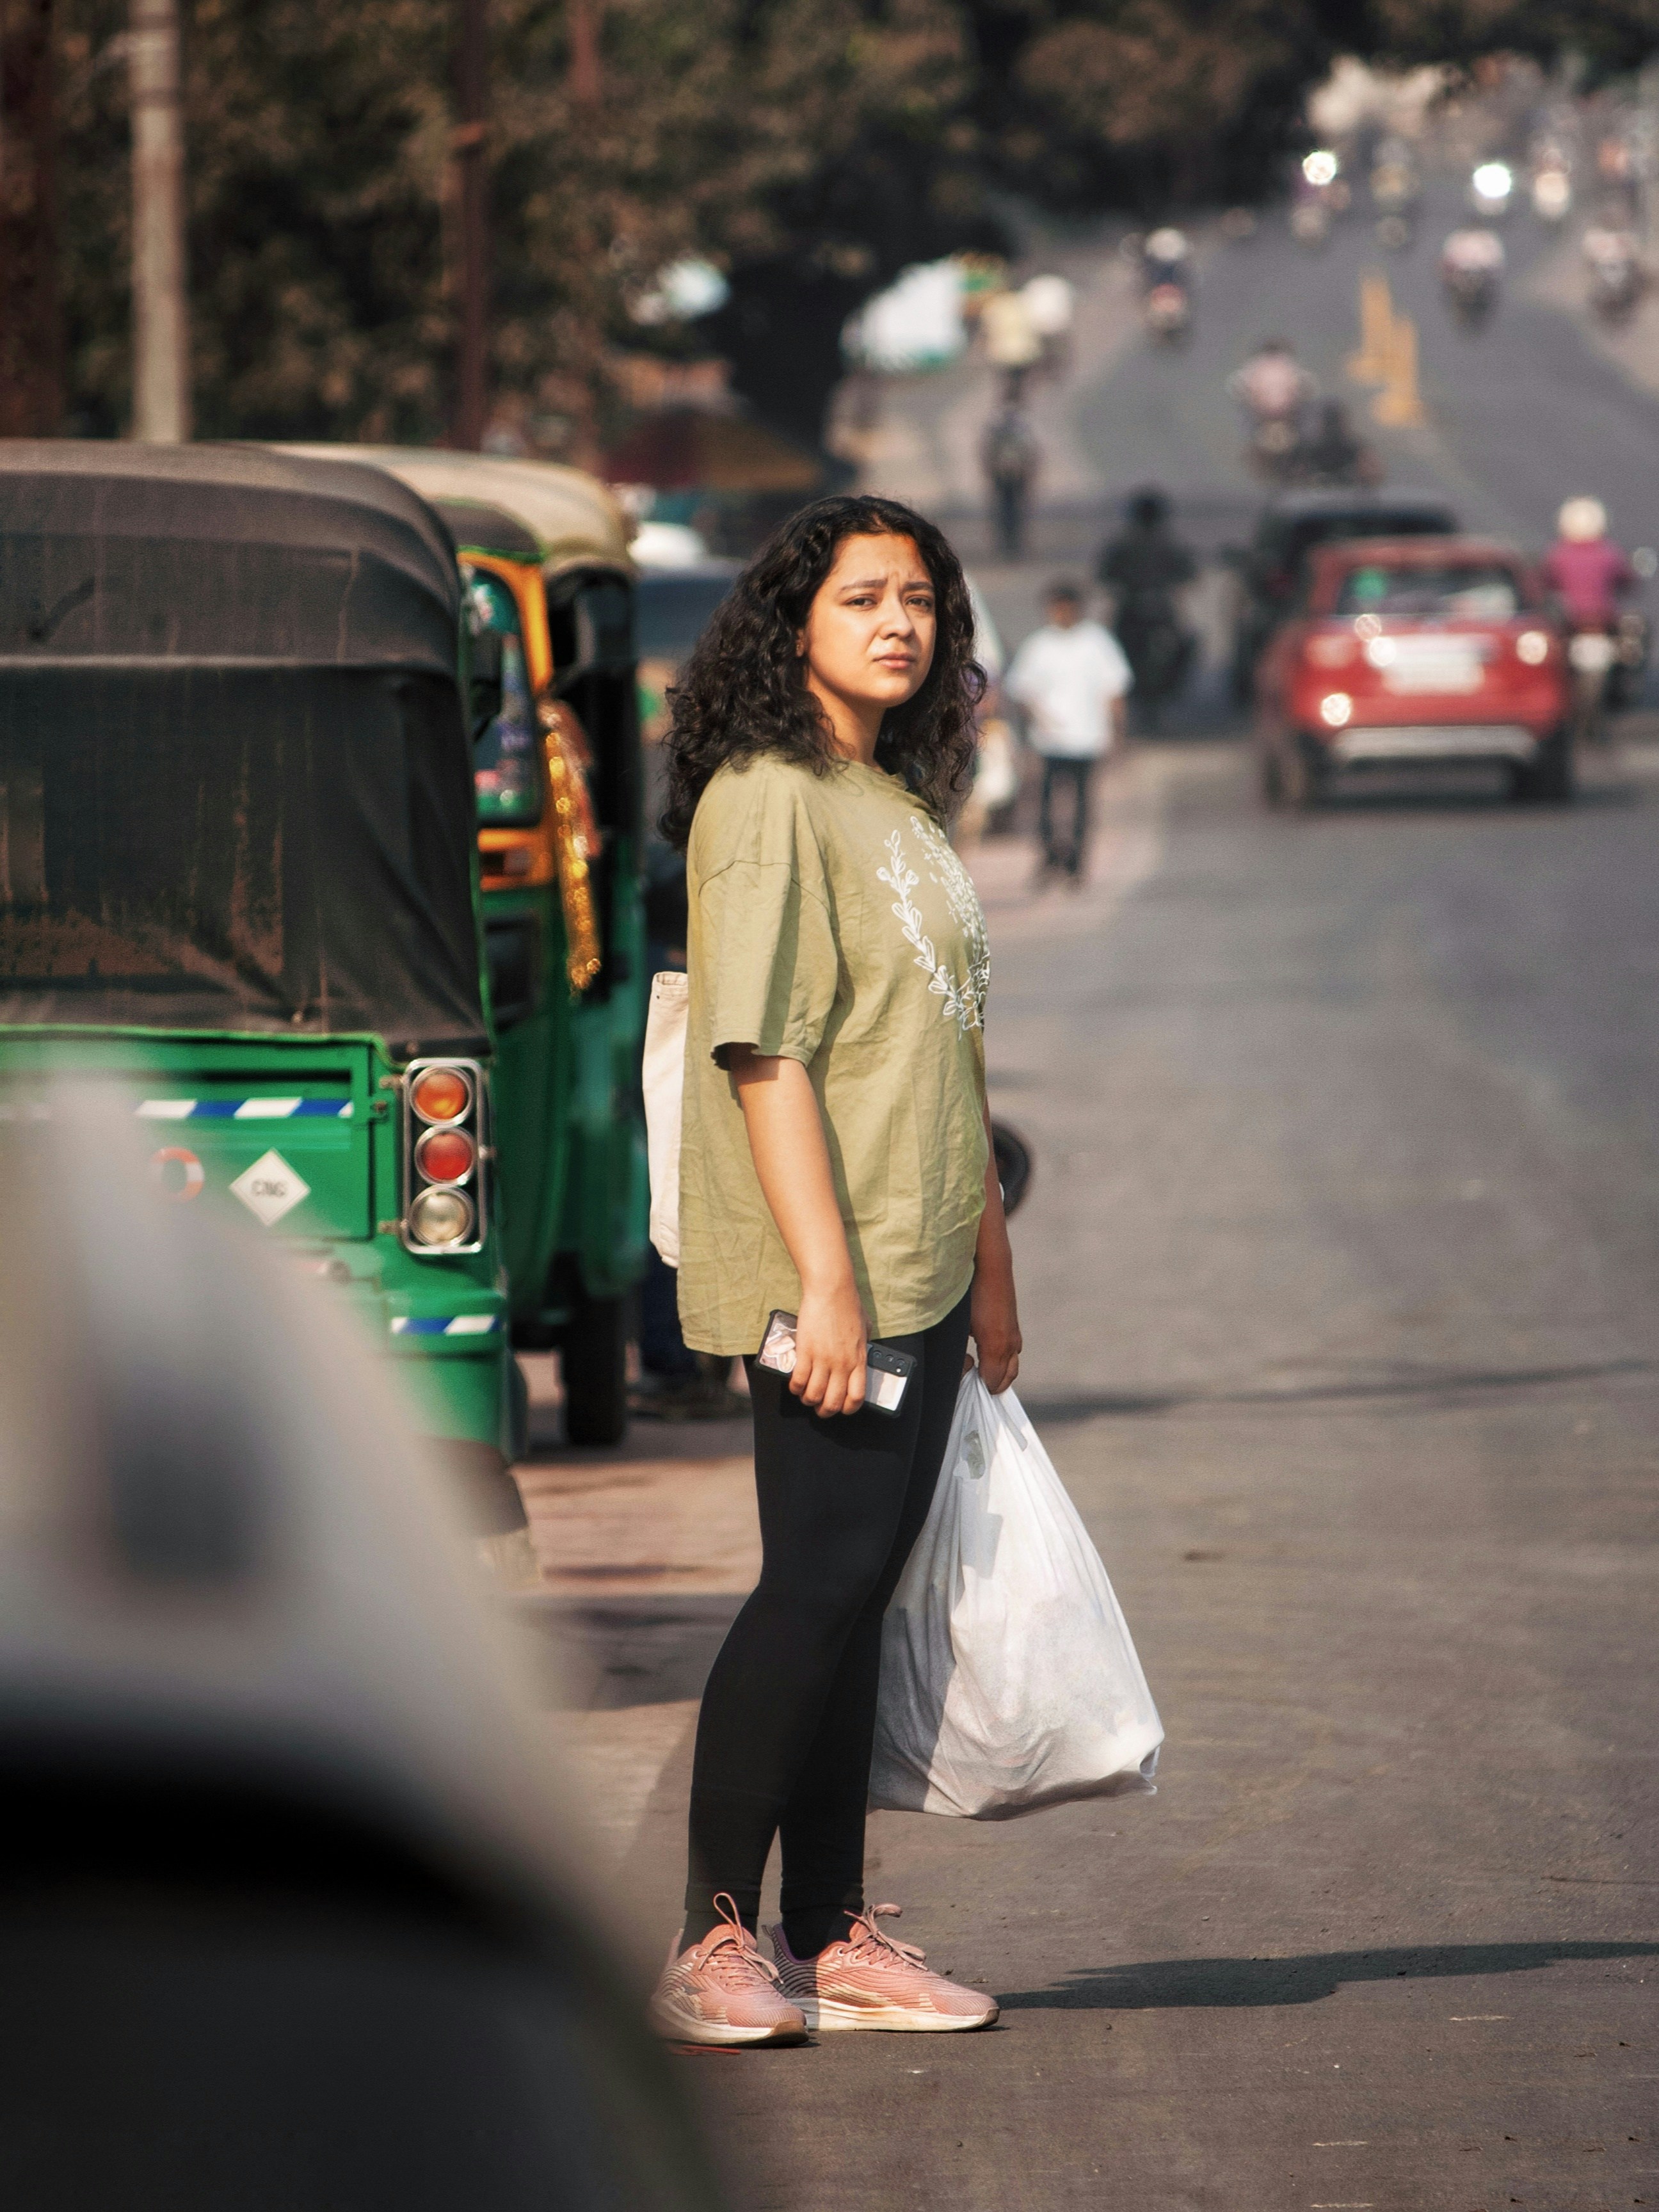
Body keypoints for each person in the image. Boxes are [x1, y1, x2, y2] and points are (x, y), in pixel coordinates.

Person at [648, 494, 1022, 2047]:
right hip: (835, 1262)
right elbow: (763, 1049)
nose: (899, 619)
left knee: (856, 1590)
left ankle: (834, 1931)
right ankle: (714, 1938)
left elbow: (946, 1048)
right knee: (811, 1583)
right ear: (790, 617)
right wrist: (828, 1275)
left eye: (921, 597)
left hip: (923, 1252)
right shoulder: (765, 797)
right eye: (863, 593)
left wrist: (991, 1270)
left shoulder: (896, 799)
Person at [1004, 581, 1132, 879]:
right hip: (1049, 741)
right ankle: (1050, 853)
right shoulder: (1039, 644)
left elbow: (1114, 689)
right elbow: (1022, 690)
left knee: (1082, 803)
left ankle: (1077, 858)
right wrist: (1037, 723)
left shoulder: (1097, 643)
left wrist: (1118, 733)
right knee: (1045, 802)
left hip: (1087, 738)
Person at [1543, 495, 1635, 630]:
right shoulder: (1610, 553)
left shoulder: (1557, 555)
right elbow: (1626, 579)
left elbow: (1546, 582)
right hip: (1601, 617)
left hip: (1571, 620)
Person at [981, 394, 1038, 559]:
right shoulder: (1022, 426)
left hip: (1005, 474)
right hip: (1014, 474)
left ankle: (1010, 543)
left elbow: (988, 451)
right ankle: (1011, 543)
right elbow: (1031, 452)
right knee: (1012, 510)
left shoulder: (997, 427)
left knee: (1007, 510)